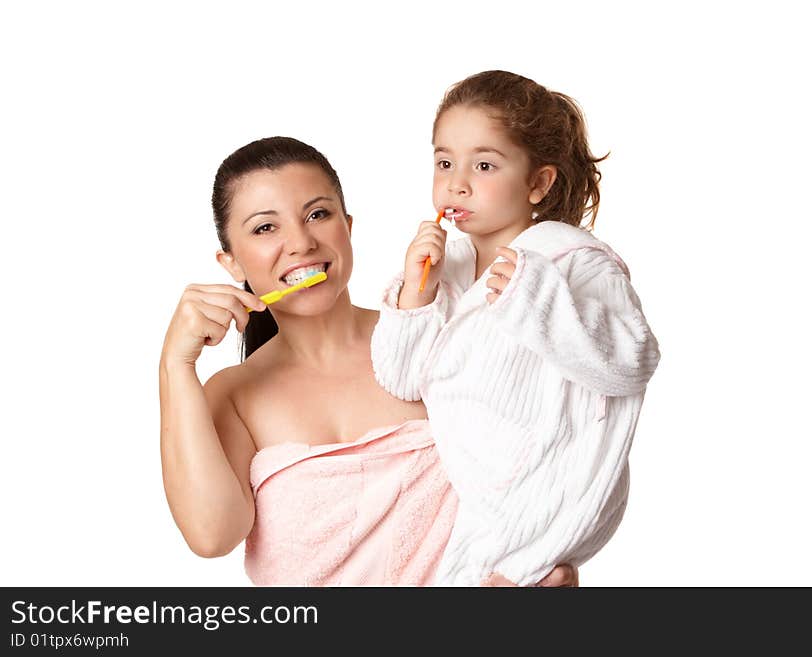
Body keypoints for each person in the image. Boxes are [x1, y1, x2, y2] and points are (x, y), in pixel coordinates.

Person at [159, 136, 578, 586]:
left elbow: (543, 462)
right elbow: (212, 535)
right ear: (232, 262)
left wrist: (543, 564)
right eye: (265, 228)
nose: (300, 242)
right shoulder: (232, 395)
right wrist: (174, 366)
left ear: (348, 227)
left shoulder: (433, 337)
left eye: (318, 214)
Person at [371, 71, 661, 586]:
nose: (456, 182)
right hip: (476, 506)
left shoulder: (573, 261)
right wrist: (417, 294)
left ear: (538, 183)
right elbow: (400, 380)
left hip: (551, 495)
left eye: (484, 165)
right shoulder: (447, 269)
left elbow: (633, 361)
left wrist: (538, 300)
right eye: (444, 162)